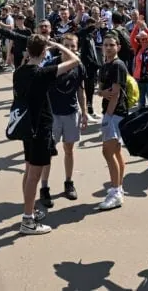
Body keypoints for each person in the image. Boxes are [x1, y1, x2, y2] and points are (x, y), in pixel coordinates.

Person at [14, 34, 81, 235]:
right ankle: (27, 219)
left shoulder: (20, 72)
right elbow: (75, 60)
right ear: (44, 52)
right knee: (34, 175)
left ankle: (30, 210)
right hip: (40, 128)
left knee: (28, 171)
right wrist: (58, 45)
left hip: (27, 127)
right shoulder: (43, 73)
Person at [39, 32, 89, 206]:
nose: (69, 49)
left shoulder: (79, 66)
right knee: (48, 152)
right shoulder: (52, 65)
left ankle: (69, 182)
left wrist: (84, 112)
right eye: (66, 45)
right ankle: (44, 188)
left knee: (69, 149)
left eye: (73, 46)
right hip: (52, 115)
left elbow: (80, 90)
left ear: (77, 48)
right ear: (59, 48)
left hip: (71, 113)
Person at [95, 33, 128, 211]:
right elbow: (100, 89)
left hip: (115, 114)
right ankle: (119, 188)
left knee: (107, 152)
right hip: (111, 113)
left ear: (118, 47)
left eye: (111, 45)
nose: (108, 47)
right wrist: (101, 93)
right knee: (115, 152)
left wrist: (107, 118)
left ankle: (115, 192)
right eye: (106, 45)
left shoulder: (117, 65)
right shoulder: (105, 65)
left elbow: (114, 93)